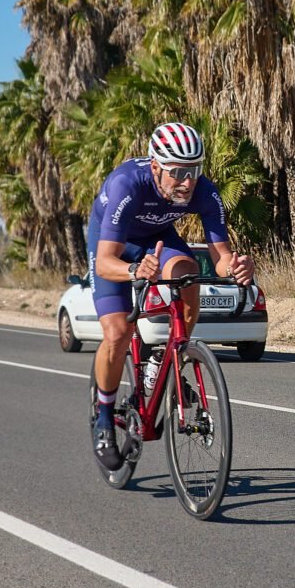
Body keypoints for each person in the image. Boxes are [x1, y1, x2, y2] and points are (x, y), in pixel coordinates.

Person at [87, 122, 255, 471]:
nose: (187, 180)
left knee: (187, 272)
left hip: (158, 240)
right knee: (118, 333)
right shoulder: (127, 186)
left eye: (194, 170)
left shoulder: (205, 193)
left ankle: (172, 355)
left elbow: (221, 258)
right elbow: (105, 263)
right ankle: (104, 414)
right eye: (177, 172)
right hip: (113, 246)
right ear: (155, 167)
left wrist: (236, 266)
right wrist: (134, 271)